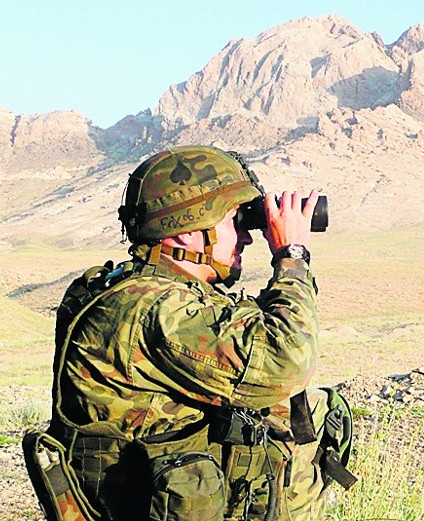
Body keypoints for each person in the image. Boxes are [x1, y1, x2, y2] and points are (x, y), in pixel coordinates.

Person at [44, 145, 354, 521]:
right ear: (186, 234)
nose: (247, 238)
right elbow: (285, 362)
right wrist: (292, 253)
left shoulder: (149, 293)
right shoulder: (152, 308)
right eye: (234, 222)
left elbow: (251, 334)